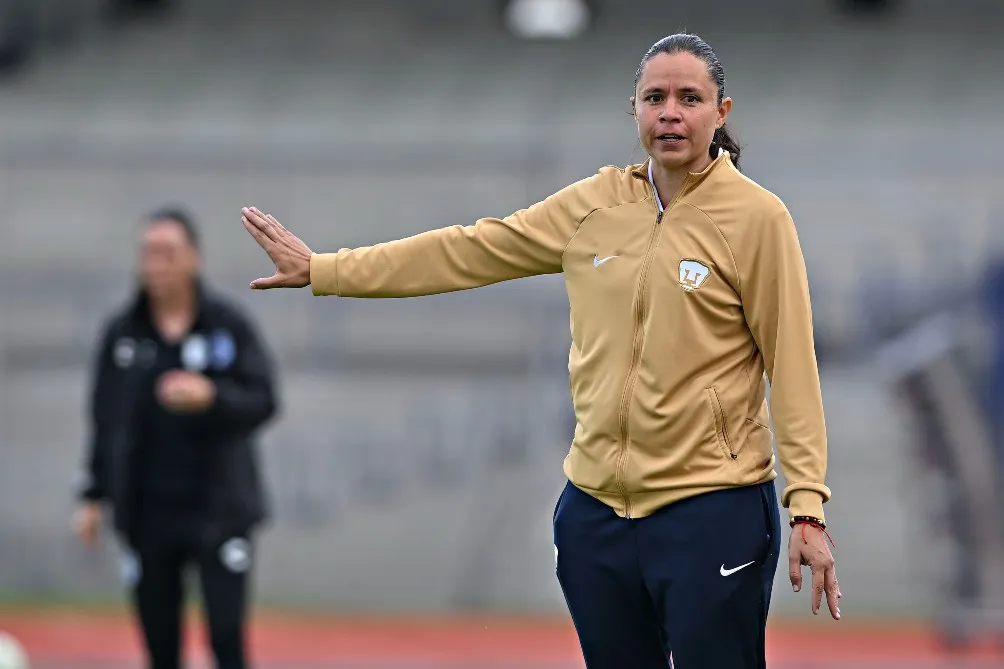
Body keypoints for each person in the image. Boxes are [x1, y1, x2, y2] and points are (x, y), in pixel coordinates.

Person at [239, 32, 839, 669]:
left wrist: (807, 506)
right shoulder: (594, 204)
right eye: (654, 98)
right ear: (634, 109)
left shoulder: (758, 219)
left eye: (689, 98)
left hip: (711, 508)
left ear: (721, 112)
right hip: (596, 512)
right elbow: (470, 250)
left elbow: (792, 366)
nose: (670, 113)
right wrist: (325, 270)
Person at [74, 207, 278, 669]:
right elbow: (104, 419)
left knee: (226, 637)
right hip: (148, 514)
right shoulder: (123, 334)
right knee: (160, 644)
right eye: (148, 253)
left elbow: (264, 399)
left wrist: (212, 396)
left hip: (219, 510)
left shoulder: (227, 326)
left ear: (194, 257)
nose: (156, 264)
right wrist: (92, 495)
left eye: (167, 252)